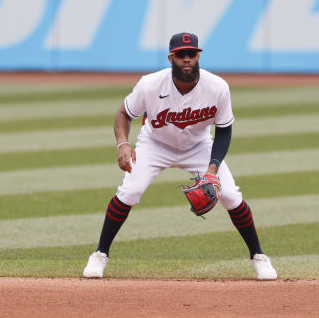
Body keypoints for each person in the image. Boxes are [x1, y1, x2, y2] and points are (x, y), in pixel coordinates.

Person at [83, 32, 277, 280]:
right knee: (130, 192)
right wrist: (123, 143)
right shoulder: (150, 84)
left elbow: (224, 131)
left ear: (198, 56)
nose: (187, 59)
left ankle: (259, 256)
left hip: (198, 146)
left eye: (192, 54)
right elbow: (124, 114)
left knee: (229, 195)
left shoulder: (217, 87)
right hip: (155, 144)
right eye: (181, 55)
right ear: (171, 58)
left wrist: (212, 170)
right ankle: (100, 254)